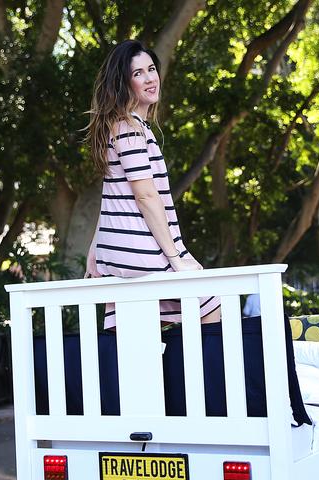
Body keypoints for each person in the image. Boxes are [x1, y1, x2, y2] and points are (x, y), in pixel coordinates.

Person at [84, 40, 221, 328]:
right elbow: (145, 196)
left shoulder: (125, 126)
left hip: (123, 250)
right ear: (124, 83)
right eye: (137, 74)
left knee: (140, 334)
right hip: (140, 249)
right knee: (210, 308)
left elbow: (114, 195)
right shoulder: (130, 129)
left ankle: (165, 374)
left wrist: (95, 248)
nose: (149, 78)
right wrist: (176, 257)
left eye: (151, 69)